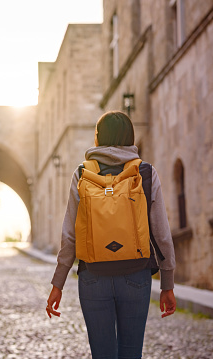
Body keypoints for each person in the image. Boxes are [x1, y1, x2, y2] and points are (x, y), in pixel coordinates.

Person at [45, 111, 177, 359]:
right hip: (136, 275)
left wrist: (58, 283)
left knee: (102, 354)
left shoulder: (82, 173)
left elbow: (70, 236)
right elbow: (161, 233)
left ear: (98, 138)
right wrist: (167, 283)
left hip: (93, 277)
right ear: (130, 137)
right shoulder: (145, 173)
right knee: (131, 352)